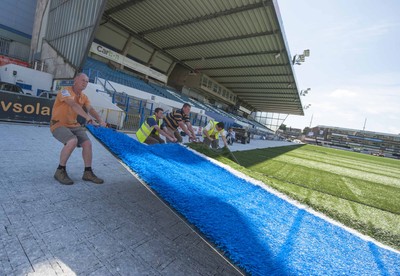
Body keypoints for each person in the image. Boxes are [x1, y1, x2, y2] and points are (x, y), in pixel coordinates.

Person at [50, 73, 106, 185]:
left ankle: (88, 172)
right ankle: (60, 171)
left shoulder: (84, 97)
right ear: (75, 80)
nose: (85, 83)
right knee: (72, 141)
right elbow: (73, 105)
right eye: (83, 80)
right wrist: (88, 118)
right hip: (58, 124)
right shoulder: (64, 91)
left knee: (88, 144)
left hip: (74, 125)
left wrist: (100, 120)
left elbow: (91, 109)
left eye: (87, 81)